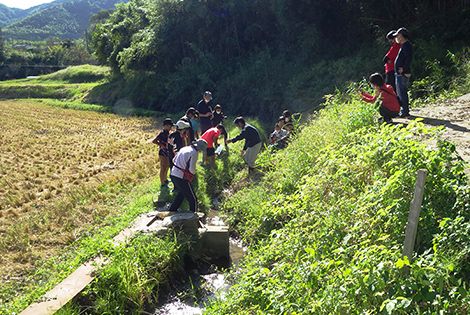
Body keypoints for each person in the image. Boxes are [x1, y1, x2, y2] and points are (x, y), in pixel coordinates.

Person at [168, 139, 208, 212]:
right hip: (181, 177)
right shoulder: (194, 153)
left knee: (182, 193)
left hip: (173, 174)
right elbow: (191, 169)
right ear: (199, 148)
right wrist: (194, 173)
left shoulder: (184, 148)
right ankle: (193, 216)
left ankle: (172, 210)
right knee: (193, 199)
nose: (200, 151)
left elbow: (174, 160)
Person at [394, 27, 413, 118]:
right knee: (402, 92)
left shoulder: (406, 45)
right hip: (402, 73)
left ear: (401, 36)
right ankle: (404, 110)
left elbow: (408, 58)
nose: (396, 38)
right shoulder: (405, 44)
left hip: (402, 74)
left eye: (397, 36)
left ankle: (404, 111)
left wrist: (403, 69)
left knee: (401, 92)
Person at [152, 118, 174, 189]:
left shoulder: (168, 132)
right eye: (169, 125)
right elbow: (154, 141)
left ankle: (165, 179)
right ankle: (162, 184)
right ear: (165, 125)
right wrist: (161, 145)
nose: (170, 127)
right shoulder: (162, 133)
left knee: (167, 166)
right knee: (163, 167)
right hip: (163, 153)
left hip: (167, 152)